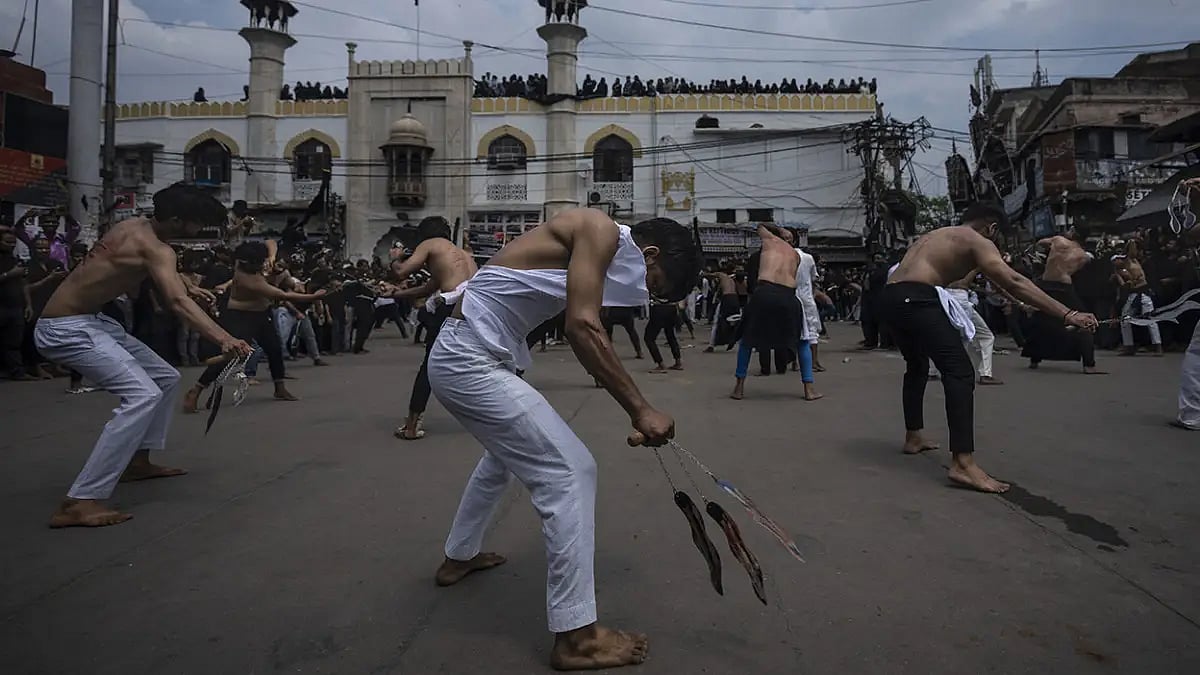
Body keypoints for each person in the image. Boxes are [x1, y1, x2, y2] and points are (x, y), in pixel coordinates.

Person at [429, 209, 699, 670]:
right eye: (654, 283)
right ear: (649, 254)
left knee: (500, 460)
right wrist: (641, 409)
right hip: (468, 360)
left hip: (474, 356)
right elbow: (582, 326)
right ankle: (577, 636)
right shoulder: (599, 229)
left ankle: (459, 556)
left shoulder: (593, 249)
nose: (646, 293)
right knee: (570, 472)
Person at [33, 184, 253, 528]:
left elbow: (133, 267)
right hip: (67, 328)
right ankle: (79, 501)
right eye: (197, 223)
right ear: (177, 220)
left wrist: (187, 284)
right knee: (142, 395)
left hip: (90, 321)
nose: (199, 231)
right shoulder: (156, 249)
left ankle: (137, 461)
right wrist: (224, 338)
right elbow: (176, 302)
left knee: (165, 377)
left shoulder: (132, 226)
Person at [881, 203, 1098, 494]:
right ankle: (963, 463)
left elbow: (998, 282)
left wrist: (1021, 302)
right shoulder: (976, 240)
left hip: (891, 297)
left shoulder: (938, 235)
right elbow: (1015, 280)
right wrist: (1068, 313)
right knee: (960, 373)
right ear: (992, 228)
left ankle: (913, 437)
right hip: (917, 298)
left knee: (917, 365)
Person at [182, 241, 324, 412]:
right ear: (246, 263)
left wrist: (271, 257)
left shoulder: (256, 265)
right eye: (259, 262)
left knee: (274, 349)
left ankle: (279, 388)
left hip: (262, 315)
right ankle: (196, 390)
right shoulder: (248, 279)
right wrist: (313, 297)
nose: (262, 265)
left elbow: (270, 242)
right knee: (231, 355)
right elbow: (281, 295)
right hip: (241, 317)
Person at [388, 216, 479, 441]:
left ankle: (411, 425)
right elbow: (430, 287)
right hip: (475, 308)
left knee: (430, 365)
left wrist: (396, 257)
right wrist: (398, 294)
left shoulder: (431, 244)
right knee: (477, 363)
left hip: (450, 307)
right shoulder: (463, 255)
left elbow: (401, 272)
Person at [730, 225, 820, 401]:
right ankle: (809, 389)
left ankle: (738, 388)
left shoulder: (769, 242)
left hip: (764, 293)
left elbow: (760, 226)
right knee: (802, 342)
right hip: (787, 295)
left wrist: (778, 229)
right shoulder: (796, 255)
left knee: (747, 341)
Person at [1022, 226, 1105, 374]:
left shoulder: (1059, 240)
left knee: (1040, 318)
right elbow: (1074, 271)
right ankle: (1089, 364)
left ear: (1072, 233)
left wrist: (1047, 254)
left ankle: (1035, 358)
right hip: (1064, 286)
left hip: (1047, 284)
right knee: (1082, 320)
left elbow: (1040, 242)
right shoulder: (1084, 256)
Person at [946, 269, 1003, 385]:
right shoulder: (972, 264)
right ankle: (985, 374)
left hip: (945, 296)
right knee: (984, 336)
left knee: (943, 334)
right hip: (961, 298)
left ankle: (932, 371)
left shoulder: (946, 263)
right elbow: (990, 280)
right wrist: (1003, 292)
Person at [1113, 254, 1164, 356]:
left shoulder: (1132, 267)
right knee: (1125, 320)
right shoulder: (1127, 267)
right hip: (1133, 295)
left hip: (1142, 294)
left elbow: (1128, 284)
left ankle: (1157, 345)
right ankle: (1129, 346)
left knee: (1150, 320)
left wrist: (1119, 277)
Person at [0, 229, 33, 380]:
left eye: (13, 242)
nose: (11, 245)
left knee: (14, 342)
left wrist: (28, 305)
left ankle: (17, 372)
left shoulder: (15, 260)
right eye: (7, 242)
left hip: (15, 307)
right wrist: (8, 275)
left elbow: (23, 283)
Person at [644, 296, 683, 373]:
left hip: (659, 307)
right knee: (670, 334)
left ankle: (660, 363)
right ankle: (678, 361)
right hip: (671, 307)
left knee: (649, 338)